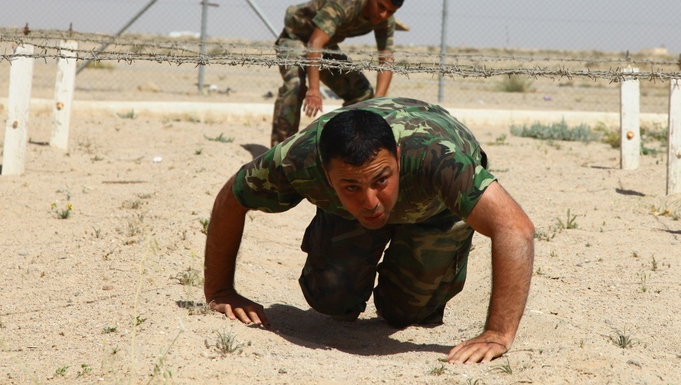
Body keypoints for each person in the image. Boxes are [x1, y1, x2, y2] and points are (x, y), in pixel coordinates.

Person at [204, 97, 535, 364]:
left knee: (406, 314)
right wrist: (220, 291)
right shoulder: (296, 159)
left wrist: (497, 332)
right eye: (350, 186)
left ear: (399, 158)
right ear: (324, 173)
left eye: (381, 180)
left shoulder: (438, 158)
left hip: (433, 209)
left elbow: (515, 229)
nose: (370, 200)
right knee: (331, 300)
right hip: (345, 213)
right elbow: (230, 199)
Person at [271, 0, 405, 147]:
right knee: (295, 86)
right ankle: (279, 153)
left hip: (324, 47)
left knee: (362, 93)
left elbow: (386, 60)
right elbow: (314, 44)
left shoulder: (386, 20)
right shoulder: (343, 2)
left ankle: (343, 146)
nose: (383, 15)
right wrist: (313, 90)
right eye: (381, 7)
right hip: (297, 38)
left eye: (391, 11)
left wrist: (378, 101)